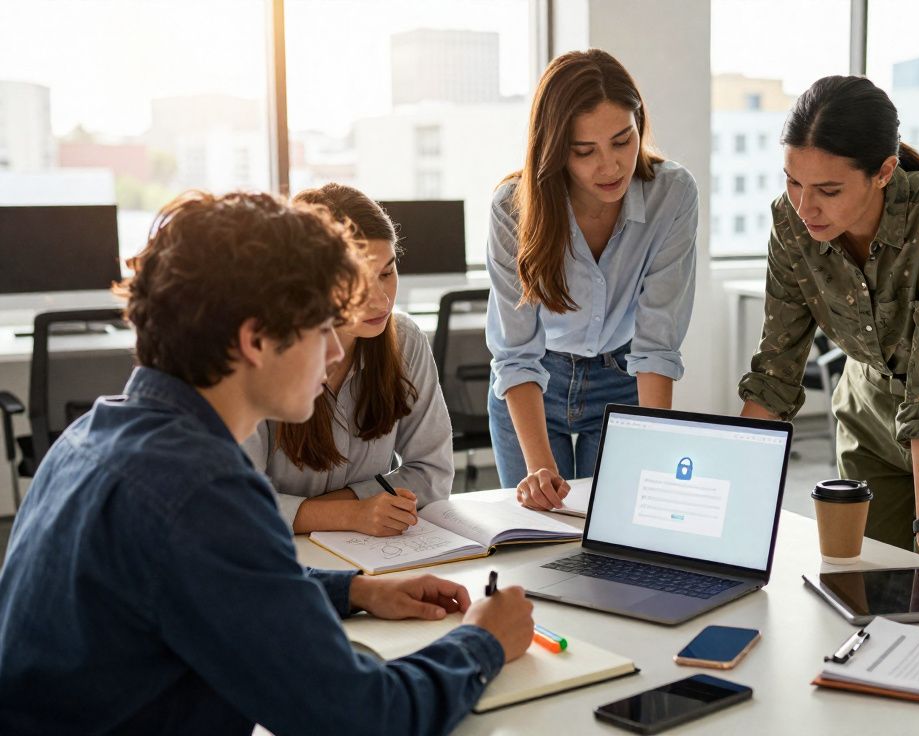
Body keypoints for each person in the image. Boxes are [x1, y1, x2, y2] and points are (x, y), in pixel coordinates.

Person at [0, 191, 535, 734]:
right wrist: (483, 642)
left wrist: (353, 590)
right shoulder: (202, 492)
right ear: (256, 340)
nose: (333, 352)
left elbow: (221, 580)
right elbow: (362, 718)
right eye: (322, 326)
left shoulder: (92, 436)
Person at [739, 76, 919, 572]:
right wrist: (726, 488)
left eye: (827, 189)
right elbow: (776, 369)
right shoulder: (790, 221)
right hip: (866, 419)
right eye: (793, 181)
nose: (805, 207)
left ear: (884, 171)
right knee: (859, 585)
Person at [486, 49, 698, 508]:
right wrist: (540, 468)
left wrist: (653, 442)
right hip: (533, 385)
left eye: (623, 141)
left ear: (639, 123)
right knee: (542, 533)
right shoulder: (512, 208)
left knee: (616, 523)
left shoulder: (673, 194)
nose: (610, 166)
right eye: (585, 151)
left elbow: (657, 341)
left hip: (623, 381)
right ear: (555, 148)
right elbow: (516, 352)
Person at [242, 183, 454, 536]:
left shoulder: (405, 339)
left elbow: (432, 474)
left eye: (387, 273)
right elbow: (237, 504)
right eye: (357, 282)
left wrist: (335, 510)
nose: (380, 301)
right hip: (278, 556)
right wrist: (348, 514)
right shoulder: (257, 356)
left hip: (370, 553)